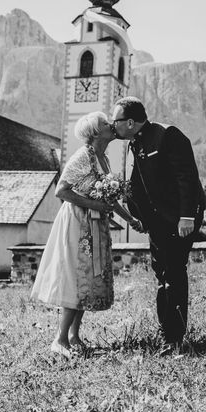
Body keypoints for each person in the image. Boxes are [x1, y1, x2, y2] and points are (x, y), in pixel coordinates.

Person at [31, 111, 141, 358]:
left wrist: (130, 219)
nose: (111, 124)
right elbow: (61, 191)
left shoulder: (104, 158)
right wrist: (94, 206)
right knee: (76, 277)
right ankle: (59, 339)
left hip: (95, 222)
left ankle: (74, 336)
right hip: (77, 222)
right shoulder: (83, 156)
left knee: (89, 278)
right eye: (105, 123)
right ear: (94, 132)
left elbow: (108, 200)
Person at [111, 97, 206, 355]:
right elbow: (141, 185)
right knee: (161, 273)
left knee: (174, 273)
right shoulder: (137, 142)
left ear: (130, 122)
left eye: (115, 120)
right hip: (157, 222)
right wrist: (138, 215)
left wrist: (186, 216)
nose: (113, 125)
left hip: (179, 219)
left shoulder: (167, 135)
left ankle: (175, 339)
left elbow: (186, 177)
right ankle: (166, 330)